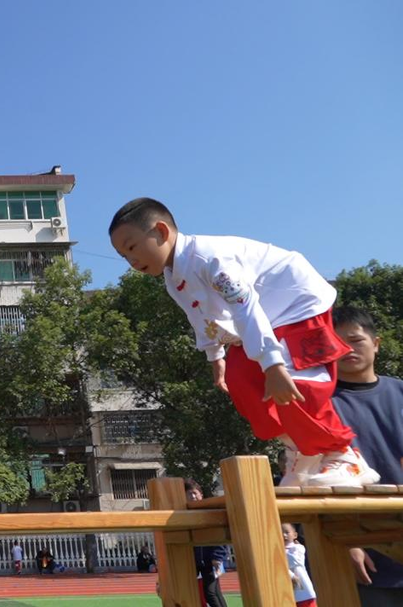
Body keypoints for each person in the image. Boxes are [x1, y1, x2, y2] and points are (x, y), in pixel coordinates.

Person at [109, 198, 379, 487]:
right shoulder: (173, 278)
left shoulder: (209, 258)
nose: (131, 260)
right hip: (264, 321)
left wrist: (273, 364)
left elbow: (245, 306)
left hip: (297, 304)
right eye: (124, 255)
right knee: (242, 381)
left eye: (132, 247)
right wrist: (216, 357)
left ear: (161, 231)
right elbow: (200, 316)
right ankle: (301, 450)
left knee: (295, 381)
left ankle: (344, 456)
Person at [331, 306, 403, 605]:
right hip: (362, 554)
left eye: (355, 339)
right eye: (336, 342)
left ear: (376, 343)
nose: (347, 348)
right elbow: (314, 477)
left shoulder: (399, 392)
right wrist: (345, 540)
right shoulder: (320, 404)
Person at [186, 480, 228, 607]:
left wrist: (218, 557)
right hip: (198, 561)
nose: (192, 497)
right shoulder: (185, 513)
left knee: (211, 592)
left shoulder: (208, 511)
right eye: (189, 494)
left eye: (194, 493)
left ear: (201, 494)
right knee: (211, 592)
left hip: (210, 559)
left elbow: (218, 535)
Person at [282, 524, 316, 607]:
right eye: (281, 533)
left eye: (287, 532)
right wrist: (291, 575)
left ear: (295, 535)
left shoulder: (298, 548)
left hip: (303, 591)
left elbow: (293, 561)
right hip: (286, 592)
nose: (284, 535)